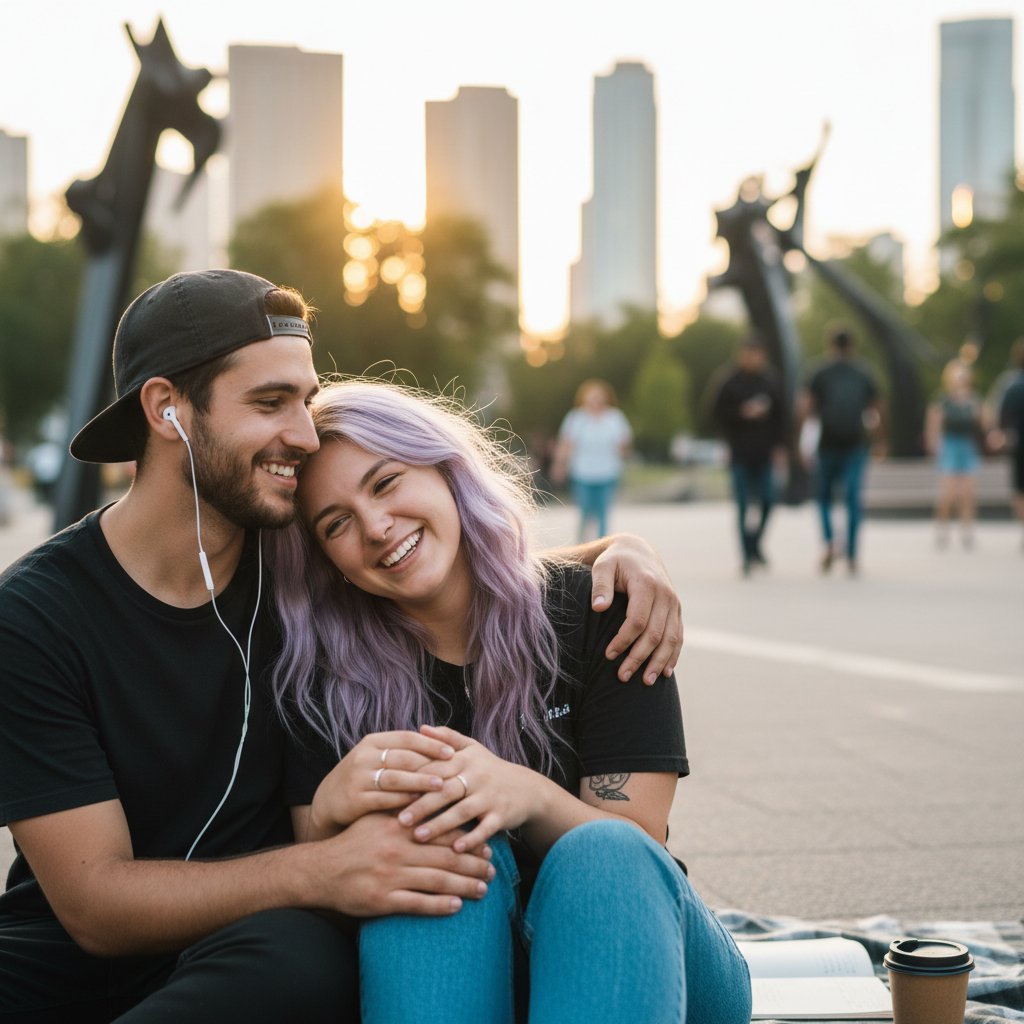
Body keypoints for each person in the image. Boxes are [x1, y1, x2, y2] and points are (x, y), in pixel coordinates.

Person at [0, 270, 684, 1023]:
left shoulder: (305, 572)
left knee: (331, 942)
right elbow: (96, 906)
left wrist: (622, 550)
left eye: (304, 396)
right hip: (63, 964)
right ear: (168, 410)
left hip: (260, 953)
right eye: (270, 402)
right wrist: (324, 864)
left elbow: (451, 559)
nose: (303, 431)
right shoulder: (34, 618)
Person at [266, 379, 752, 1024]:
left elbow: (640, 851)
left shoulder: (599, 612)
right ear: (329, 562)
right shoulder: (323, 674)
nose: (377, 528)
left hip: (643, 956)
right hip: (455, 965)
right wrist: (330, 809)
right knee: (432, 841)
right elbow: (320, 877)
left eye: (386, 483)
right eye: (337, 524)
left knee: (602, 852)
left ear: (446, 471)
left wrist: (526, 795)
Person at [801, 326, 880, 576]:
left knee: (824, 497)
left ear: (830, 346)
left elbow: (806, 408)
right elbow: (878, 409)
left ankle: (829, 542)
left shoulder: (820, 371)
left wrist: (802, 440)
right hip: (855, 442)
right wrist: (881, 439)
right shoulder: (864, 372)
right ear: (853, 346)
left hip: (828, 443)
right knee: (853, 498)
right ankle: (853, 554)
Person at [710, 336, 786, 575]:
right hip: (740, 452)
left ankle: (754, 543)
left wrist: (780, 446)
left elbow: (782, 416)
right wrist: (742, 413)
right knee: (742, 505)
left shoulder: (770, 381)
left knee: (768, 501)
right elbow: (715, 412)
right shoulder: (729, 381)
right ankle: (745, 555)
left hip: (764, 453)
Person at [550, 379, 632, 541]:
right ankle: (581, 548)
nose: (595, 401)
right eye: (592, 397)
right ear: (584, 399)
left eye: (598, 397)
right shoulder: (576, 418)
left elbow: (624, 444)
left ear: (605, 399)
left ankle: (601, 549)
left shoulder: (614, 418)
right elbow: (566, 444)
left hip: (607, 473)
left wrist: (622, 449)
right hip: (583, 473)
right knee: (584, 513)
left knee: (603, 515)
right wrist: (559, 465)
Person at [925, 358, 988, 550]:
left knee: (968, 491)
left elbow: (984, 423)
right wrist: (934, 445)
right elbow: (933, 424)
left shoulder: (972, 399)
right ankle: (942, 528)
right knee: (949, 492)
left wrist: (974, 405)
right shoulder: (943, 400)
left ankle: (967, 530)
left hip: (967, 445)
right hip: (950, 445)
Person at [995, 340, 1024, 549]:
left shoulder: (1012, 384)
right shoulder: (1012, 384)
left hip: (1019, 443)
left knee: (1020, 489)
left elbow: (1002, 416)